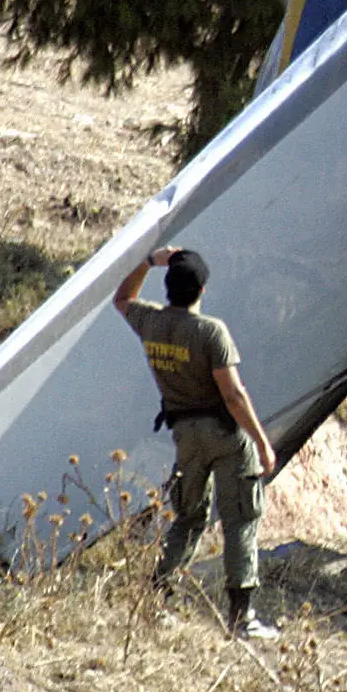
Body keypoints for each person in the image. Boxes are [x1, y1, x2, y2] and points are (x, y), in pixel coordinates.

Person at [113, 245, 279, 639]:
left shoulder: (150, 323)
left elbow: (122, 298)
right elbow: (234, 396)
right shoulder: (210, 331)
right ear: (202, 290)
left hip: (184, 435)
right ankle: (242, 619)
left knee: (188, 518)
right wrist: (262, 442)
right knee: (240, 518)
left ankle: (159, 596)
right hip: (224, 435)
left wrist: (149, 262)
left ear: (169, 287)